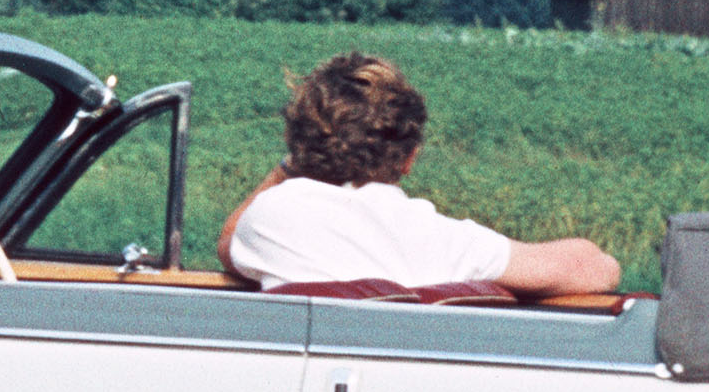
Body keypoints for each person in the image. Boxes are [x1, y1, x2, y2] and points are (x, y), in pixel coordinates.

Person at [218, 52, 621, 297]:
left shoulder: (271, 217)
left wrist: (289, 168)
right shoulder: (440, 239)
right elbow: (599, 268)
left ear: (299, 147)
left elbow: (228, 243)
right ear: (409, 158)